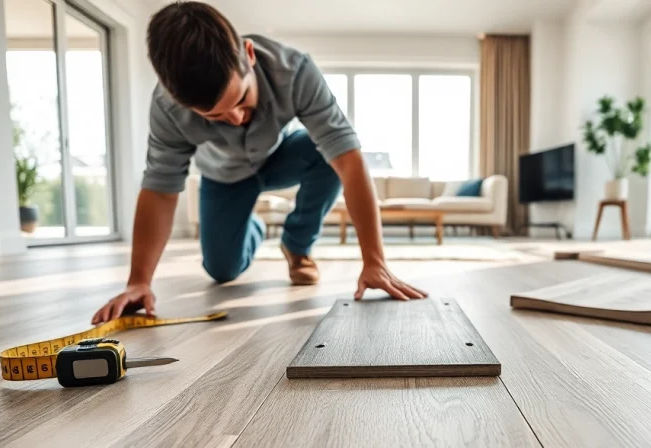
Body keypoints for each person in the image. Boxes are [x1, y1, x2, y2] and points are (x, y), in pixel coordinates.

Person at [92, 1, 426, 325]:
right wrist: (138, 281)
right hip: (223, 177)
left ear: (249, 55)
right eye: (215, 116)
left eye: (240, 100)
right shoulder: (167, 109)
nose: (235, 118)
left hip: (280, 158)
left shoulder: (294, 69)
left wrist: (374, 261)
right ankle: (255, 228)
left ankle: (296, 245)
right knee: (222, 270)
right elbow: (160, 190)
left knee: (330, 153)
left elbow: (350, 161)